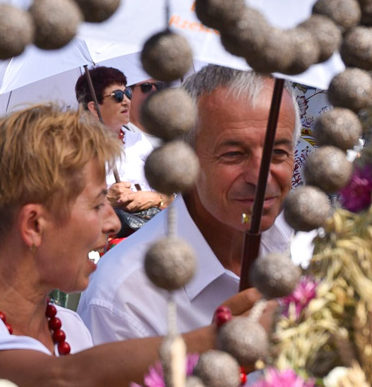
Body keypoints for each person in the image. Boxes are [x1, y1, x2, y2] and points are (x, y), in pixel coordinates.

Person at [0, 105, 258, 387]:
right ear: (34, 225)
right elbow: (57, 384)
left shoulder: (69, 327)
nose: (113, 223)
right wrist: (225, 339)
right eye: (98, 204)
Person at [78, 65, 301, 343]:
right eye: (233, 154)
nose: (261, 176)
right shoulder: (122, 299)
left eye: (278, 153)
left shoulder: (309, 247)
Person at [74, 67, 169, 235]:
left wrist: (155, 198)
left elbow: (172, 195)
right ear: (94, 108)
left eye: (127, 93)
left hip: (153, 232)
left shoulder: (138, 140)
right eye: (117, 96)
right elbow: (68, 209)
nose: (126, 100)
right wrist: (106, 199)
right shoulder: (76, 150)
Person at [126, 78, 165, 146]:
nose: (154, 90)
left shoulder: (167, 128)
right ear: (129, 92)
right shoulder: (122, 135)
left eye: (158, 85)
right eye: (146, 86)